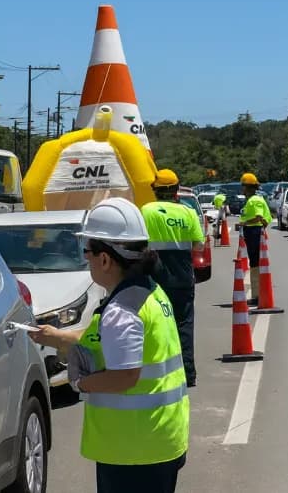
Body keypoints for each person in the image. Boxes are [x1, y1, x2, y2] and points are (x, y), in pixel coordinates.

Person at [30, 197, 190, 493]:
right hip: (160, 439)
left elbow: (124, 376)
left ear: (105, 259)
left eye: (87, 252)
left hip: (133, 450)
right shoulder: (149, 294)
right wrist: (55, 337)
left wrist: (80, 383)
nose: (86, 259)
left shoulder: (120, 311)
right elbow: (105, 341)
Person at [140, 169, 205, 387]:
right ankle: (188, 374)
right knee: (184, 325)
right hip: (183, 275)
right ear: (176, 190)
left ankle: (160, 372)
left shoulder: (147, 211)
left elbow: (138, 244)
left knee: (155, 325)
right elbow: (199, 245)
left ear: (155, 191)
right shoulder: (187, 212)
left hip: (154, 277)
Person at [239, 172, 271, 305]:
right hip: (253, 232)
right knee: (254, 264)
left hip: (254, 233)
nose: (242, 189)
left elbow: (259, 217)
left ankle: (257, 295)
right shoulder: (252, 200)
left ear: (248, 187)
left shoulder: (255, 200)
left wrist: (245, 223)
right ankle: (257, 294)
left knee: (255, 265)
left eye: (244, 186)